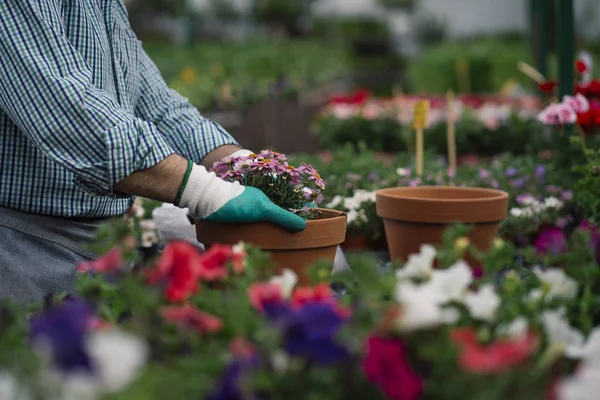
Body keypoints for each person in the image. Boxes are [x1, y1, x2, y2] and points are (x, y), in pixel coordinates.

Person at [0, 0, 306, 305]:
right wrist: (207, 193)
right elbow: (65, 112)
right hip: (24, 244)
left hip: (102, 241)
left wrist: (252, 168)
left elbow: (160, 108)